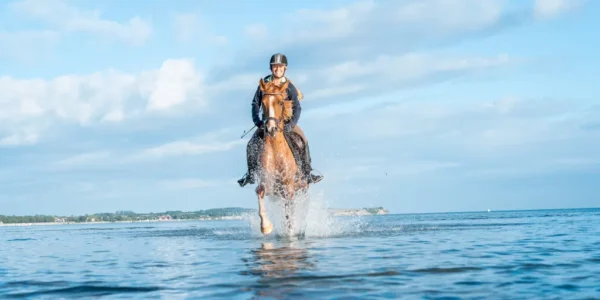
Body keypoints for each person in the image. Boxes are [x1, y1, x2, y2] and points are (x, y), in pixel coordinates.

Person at [238, 53, 324, 187]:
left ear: (285, 69)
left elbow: (297, 107)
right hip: (267, 122)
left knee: (303, 140)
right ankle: (250, 174)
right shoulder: (264, 84)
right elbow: (255, 103)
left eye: (280, 67)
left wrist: (291, 124)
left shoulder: (289, 86)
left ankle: (307, 173)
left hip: (287, 122)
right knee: (251, 144)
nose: (277, 69)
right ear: (271, 68)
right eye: (275, 67)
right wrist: (258, 122)